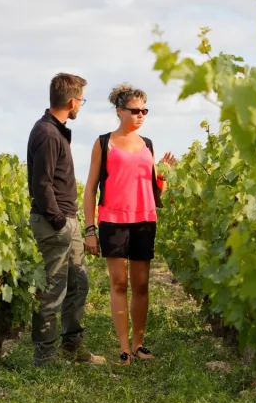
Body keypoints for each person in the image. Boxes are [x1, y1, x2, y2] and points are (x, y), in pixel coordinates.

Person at [83, 83, 176, 365]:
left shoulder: (147, 144)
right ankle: (123, 348)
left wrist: (164, 176)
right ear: (119, 111)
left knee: (142, 284)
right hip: (113, 220)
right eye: (135, 110)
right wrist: (90, 229)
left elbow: (154, 189)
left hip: (145, 219)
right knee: (119, 283)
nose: (140, 115)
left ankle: (139, 344)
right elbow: (90, 189)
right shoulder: (103, 143)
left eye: (144, 110)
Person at [26, 72, 106, 367]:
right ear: (72, 101)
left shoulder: (55, 130)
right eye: (81, 100)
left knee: (78, 283)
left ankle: (73, 347)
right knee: (53, 288)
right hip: (55, 221)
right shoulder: (47, 133)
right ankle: (45, 358)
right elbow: (41, 184)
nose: (80, 106)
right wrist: (60, 221)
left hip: (66, 219)